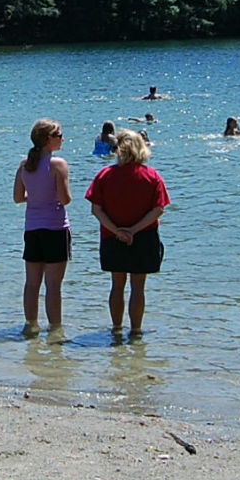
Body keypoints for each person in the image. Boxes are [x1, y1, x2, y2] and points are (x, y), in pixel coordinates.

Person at [85, 128, 167, 336]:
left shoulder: (104, 175)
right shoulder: (152, 176)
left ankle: (116, 328)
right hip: (144, 237)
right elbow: (158, 209)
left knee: (117, 285)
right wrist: (133, 230)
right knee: (138, 287)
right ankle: (136, 331)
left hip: (112, 237)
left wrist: (117, 231)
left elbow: (96, 209)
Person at [14, 118, 72, 334]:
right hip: (55, 228)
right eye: (59, 135)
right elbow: (65, 199)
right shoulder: (58, 164)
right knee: (54, 285)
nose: (62, 139)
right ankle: (55, 330)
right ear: (48, 139)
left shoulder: (25, 165)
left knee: (31, 283)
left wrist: (37, 196)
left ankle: (30, 325)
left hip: (32, 228)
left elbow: (19, 197)